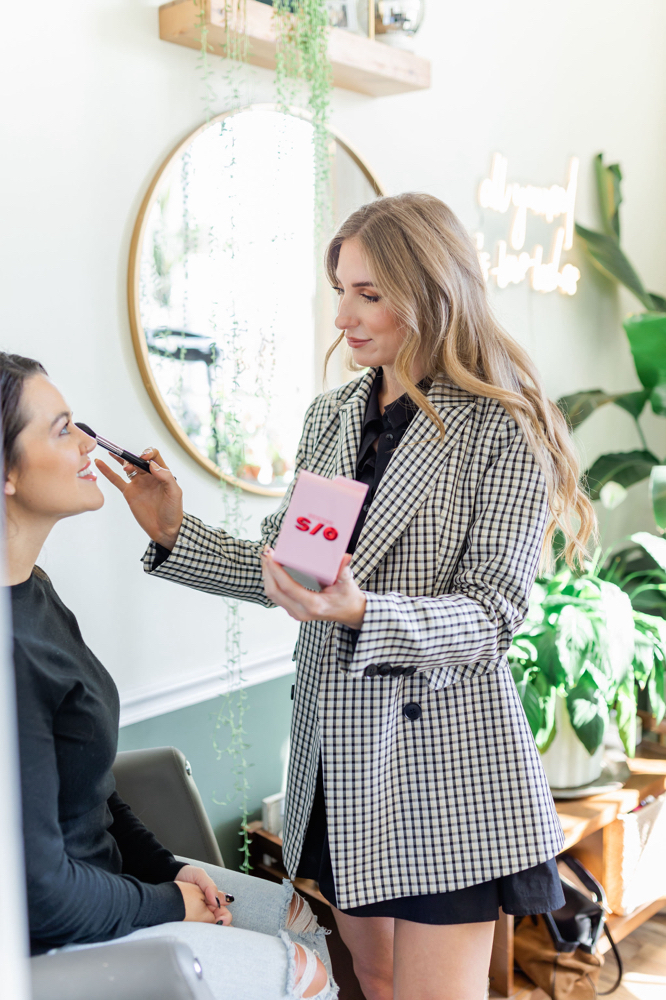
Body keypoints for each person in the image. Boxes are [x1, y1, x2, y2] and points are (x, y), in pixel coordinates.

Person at [99, 193, 595, 1000]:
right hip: (343, 758)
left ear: (434, 291)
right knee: (376, 978)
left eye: (368, 294)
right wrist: (172, 531)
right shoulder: (332, 417)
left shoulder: (506, 427)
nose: (343, 317)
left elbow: (494, 614)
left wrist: (365, 612)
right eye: (341, 290)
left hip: (446, 762)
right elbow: (290, 569)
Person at [3, 352, 334, 1000]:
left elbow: (90, 787)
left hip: (114, 883)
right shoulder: (11, 651)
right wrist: (170, 903)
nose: (90, 443)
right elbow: (42, 896)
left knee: (298, 919)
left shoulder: (35, 592)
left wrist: (170, 872)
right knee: (307, 976)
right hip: (60, 934)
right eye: (63, 428)